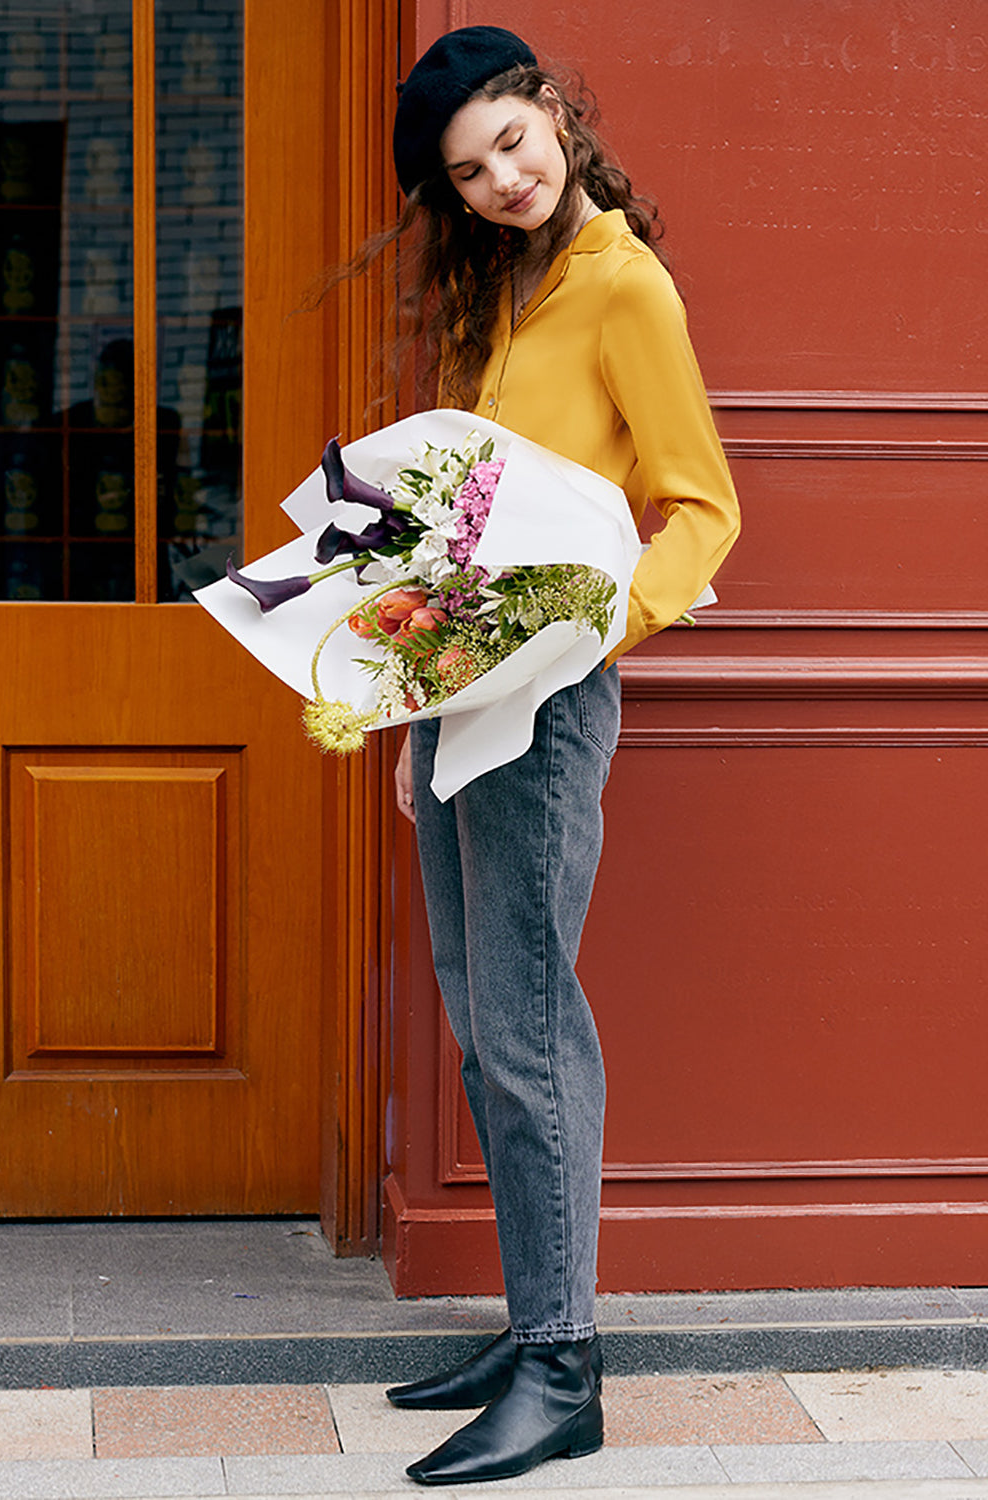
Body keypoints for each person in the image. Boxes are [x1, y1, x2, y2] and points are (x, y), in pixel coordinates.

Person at [368, 25, 740, 1486]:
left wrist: (596, 630)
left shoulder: (622, 285)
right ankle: (536, 1328)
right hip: (466, 703)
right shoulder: (509, 293)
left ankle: (567, 1368)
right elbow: (469, 528)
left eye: (513, 142)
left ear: (557, 114)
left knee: (527, 1029)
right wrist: (420, 713)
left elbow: (700, 508)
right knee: (483, 1018)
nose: (505, 178)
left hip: (548, 699)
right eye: (470, 173)